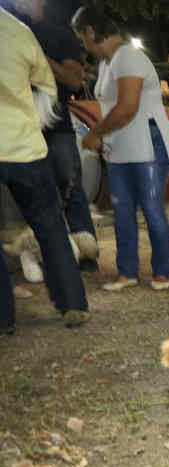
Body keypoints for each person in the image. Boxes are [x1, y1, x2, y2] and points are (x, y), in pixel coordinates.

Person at [72, 5, 169, 292]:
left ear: (92, 32)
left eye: (82, 38)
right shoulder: (108, 63)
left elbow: (128, 107)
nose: (82, 44)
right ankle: (127, 272)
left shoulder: (129, 58)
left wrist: (95, 132)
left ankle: (162, 272)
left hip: (147, 144)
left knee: (152, 209)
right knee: (122, 212)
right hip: (120, 146)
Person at [0, 5, 90, 333]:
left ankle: (3, 319)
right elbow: (48, 85)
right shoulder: (18, 32)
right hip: (24, 147)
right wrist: (33, 122)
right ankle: (72, 303)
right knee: (50, 227)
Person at [8, 0, 98, 269]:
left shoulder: (59, 35)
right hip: (18, 130)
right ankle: (36, 254)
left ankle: (86, 252)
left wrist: (38, 59)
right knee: (25, 193)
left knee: (69, 188)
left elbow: (74, 81)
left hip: (56, 128)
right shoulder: (8, 33)